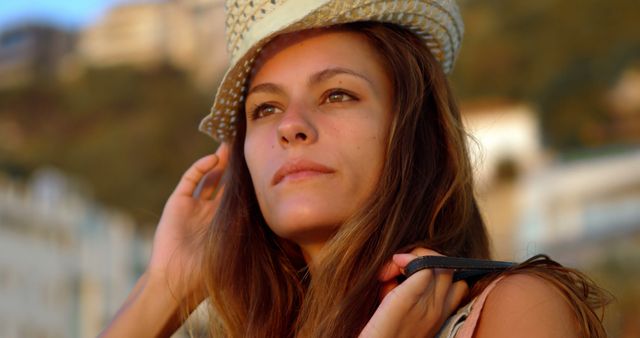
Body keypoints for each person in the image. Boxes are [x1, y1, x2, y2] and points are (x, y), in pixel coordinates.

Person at [100, 1, 609, 337]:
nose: (291, 126)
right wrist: (167, 286)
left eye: (337, 94)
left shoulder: (515, 310)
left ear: (413, 131)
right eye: (266, 108)